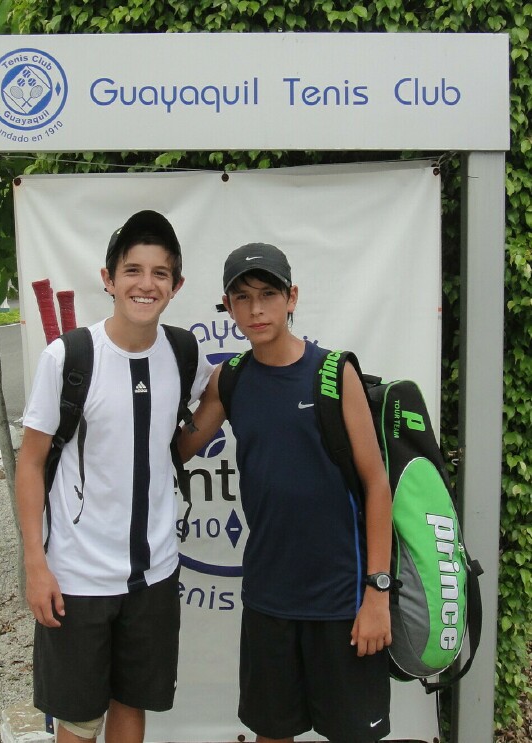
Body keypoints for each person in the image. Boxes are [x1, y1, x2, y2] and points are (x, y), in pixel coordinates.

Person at [178, 243, 393, 743]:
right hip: (269, 599)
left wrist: (376, 594)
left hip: (342, 600)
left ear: (291, 297)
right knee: (272, 735)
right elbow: (179, 449)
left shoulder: (334, 373)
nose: (256, 310)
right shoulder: (229, 379)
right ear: (227, 307)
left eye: (269, 295)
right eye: (242, 298)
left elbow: (377, 485)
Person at [16, 210, 213, 743]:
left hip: (153, 574)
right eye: (132, 270)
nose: (145, 284)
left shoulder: (181, 352)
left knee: (132, 704)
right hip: (77, 576)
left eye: (159, 273)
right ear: (108, 278)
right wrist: (36, 563)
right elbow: (30, 461)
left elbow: (188, 431)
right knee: (78, 721)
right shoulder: (69, 357)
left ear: (176, 286)